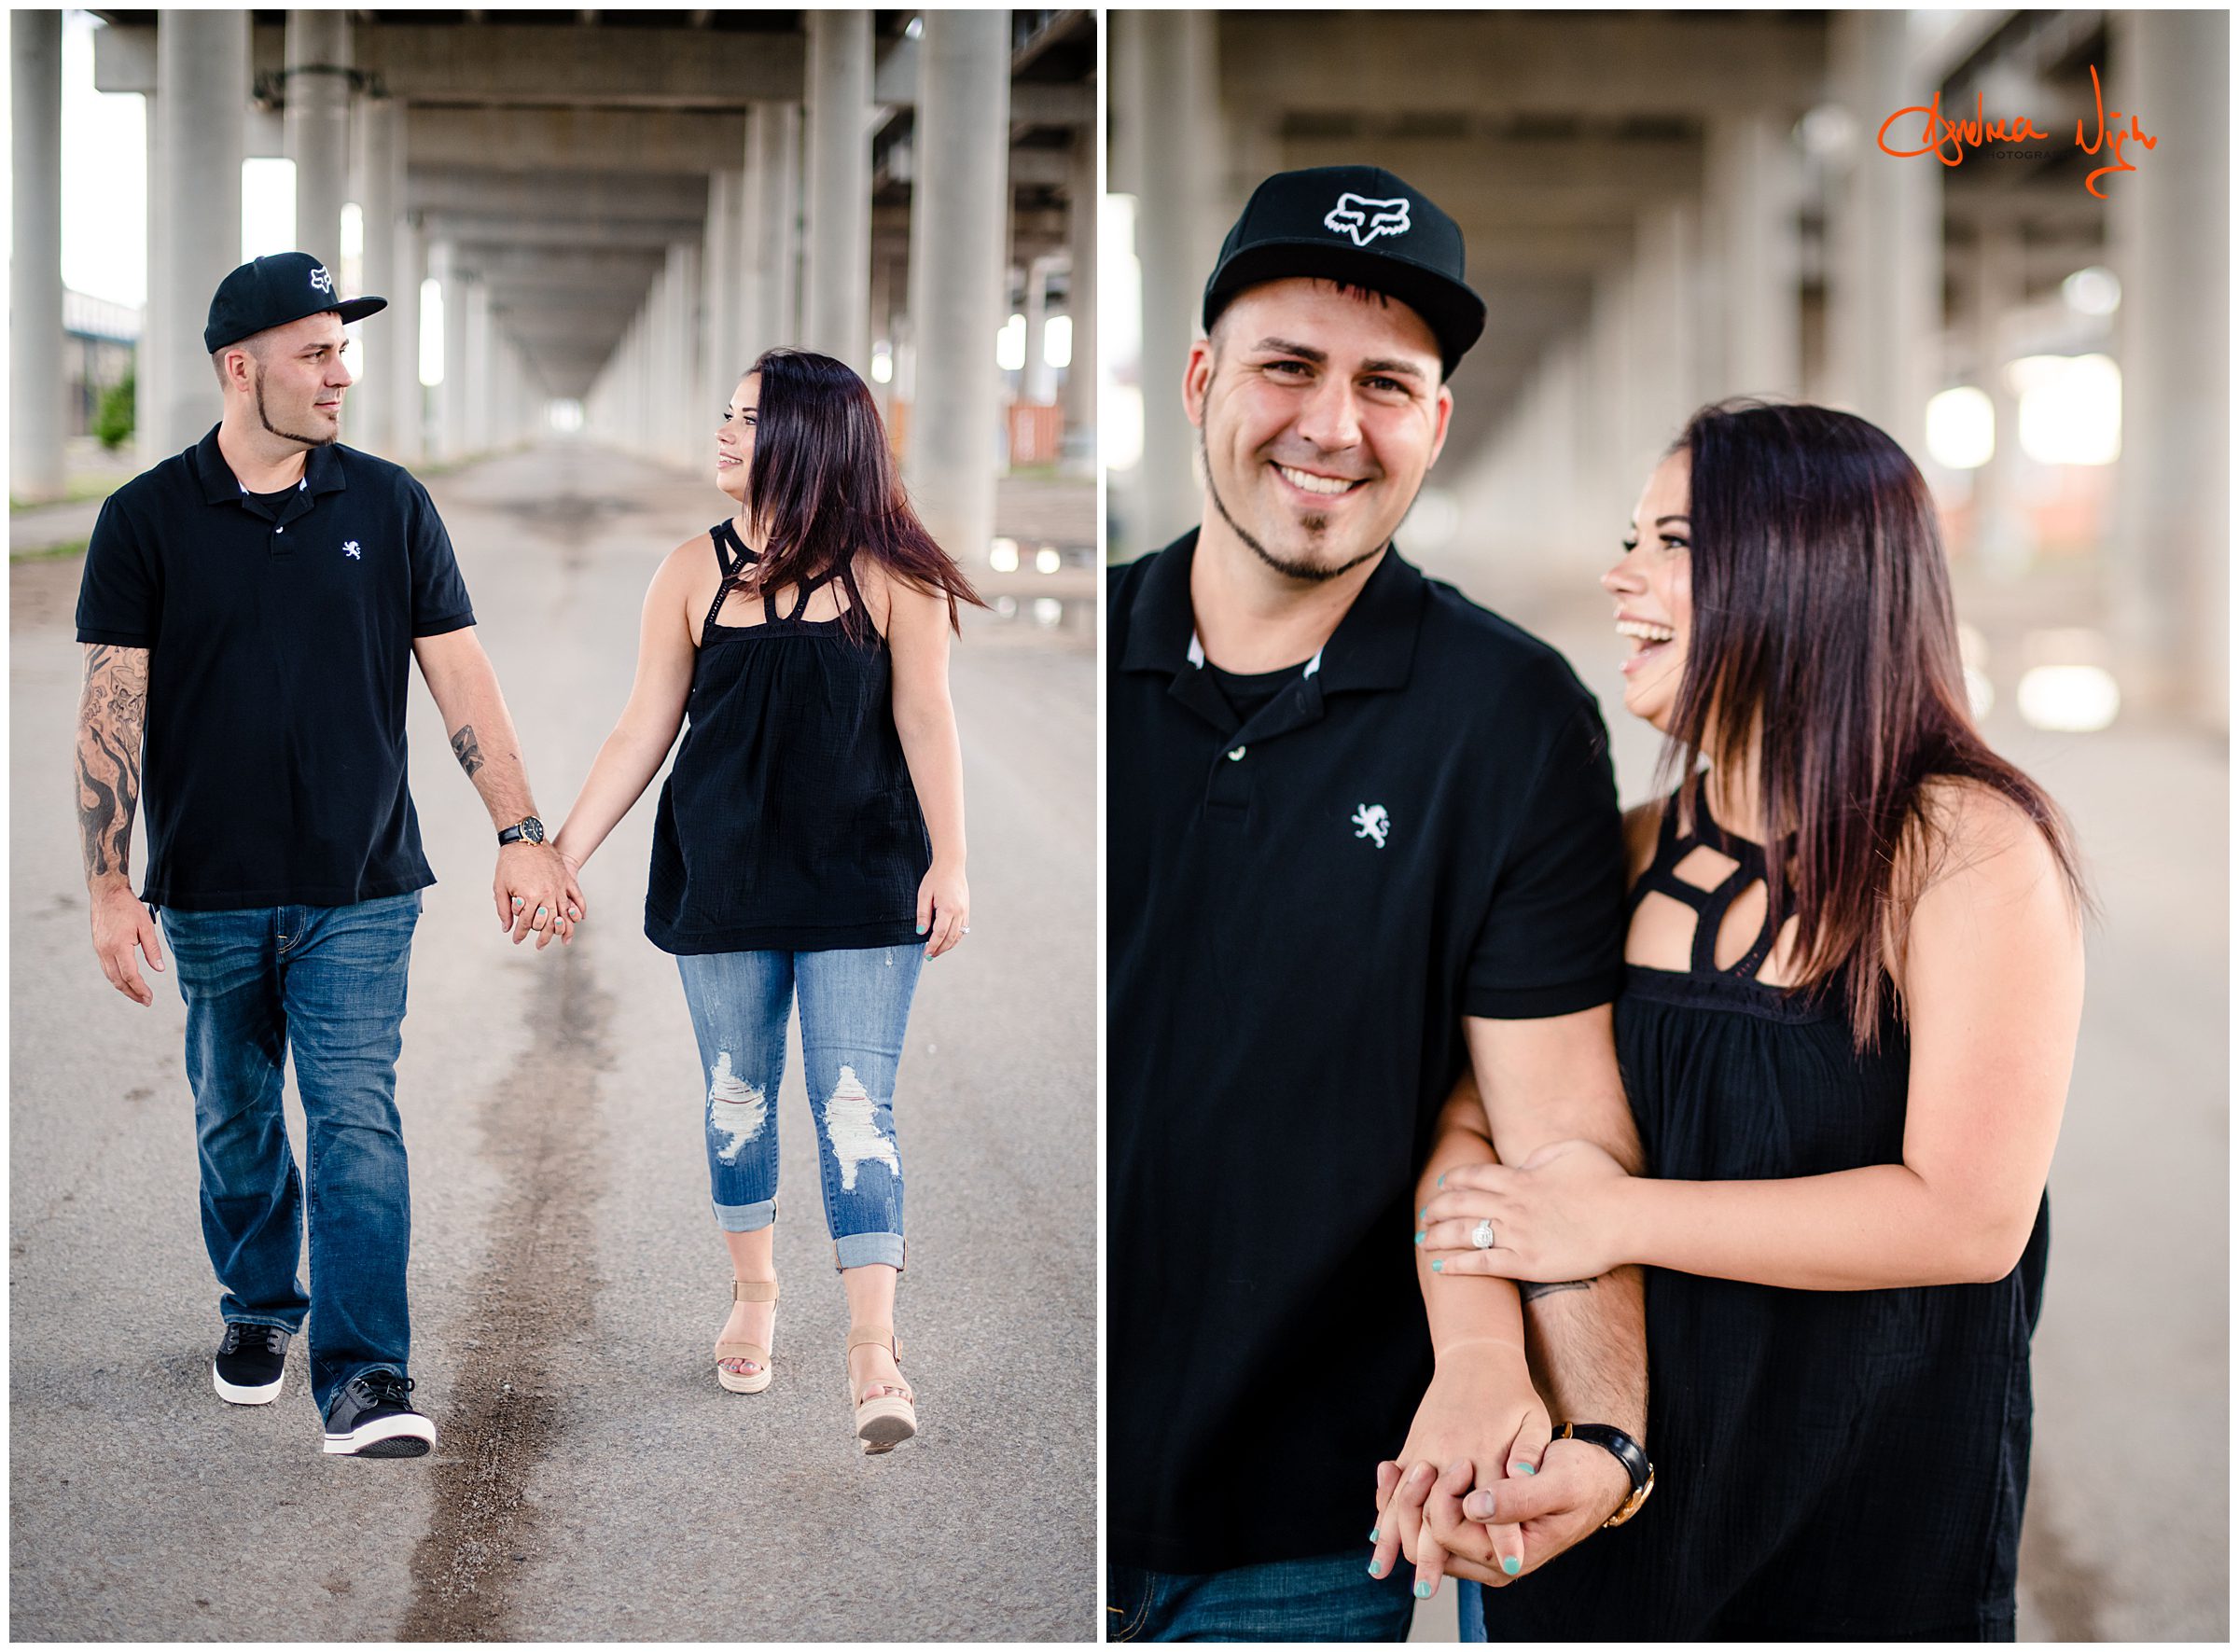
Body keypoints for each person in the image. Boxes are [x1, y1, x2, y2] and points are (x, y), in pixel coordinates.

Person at [1395, 401, 2086, 1638]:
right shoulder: (1619, 853)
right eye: (1632, 537)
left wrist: (1616, 1210)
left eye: (1673, 541)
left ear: (1810, 570)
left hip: (1864, 1523)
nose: (1622, 574)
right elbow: (1473, 1126)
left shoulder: (1969, 850)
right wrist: (1477, 1355)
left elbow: (1970, 1214)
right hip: (1603, 1498)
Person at [1106, 166, 1650, 1642]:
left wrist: (1603, 1431)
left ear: (1438, 423)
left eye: (1387, 384)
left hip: (1304, 1533)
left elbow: (1552, 1131)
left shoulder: (1512, 717)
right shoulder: (1073, 656)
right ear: (1202, 376)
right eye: (1288, 365)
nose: (1332, 425)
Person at [74, 251, 580, 1459]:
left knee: (355, 1116)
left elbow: (460, 672)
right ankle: (258, 1302)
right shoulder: (145, 519)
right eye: (315, 350)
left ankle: (367, 1377)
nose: (340, 372)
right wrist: (105, 883)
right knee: (234, 1118)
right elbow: (112, 708)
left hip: (361, 887)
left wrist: (521, 832)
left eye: (343, 349)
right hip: (207, 889)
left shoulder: (388, 504)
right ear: (237, 366)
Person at [550, 347, 979, 1453]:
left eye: (749, 419)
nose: (726, 435)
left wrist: (953, 860)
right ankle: (754, 1292)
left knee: (852, 1107)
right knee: (737, 1094)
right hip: (726, 878)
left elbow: (928, 723)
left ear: (813, 436)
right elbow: (643, 726)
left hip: (863, 882)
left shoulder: (894, 574)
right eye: (726, 414)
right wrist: (562, 850)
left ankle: (872, 1348)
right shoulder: (692, 571)